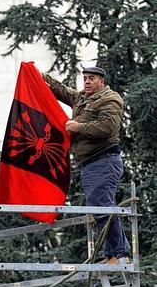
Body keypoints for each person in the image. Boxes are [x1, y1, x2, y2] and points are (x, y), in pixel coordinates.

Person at [43, 66, 131, 264]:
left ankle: (119, 253)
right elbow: (62, 90)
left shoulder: (110, 99)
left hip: (104, 160)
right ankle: (113, 254)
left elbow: (108, 128)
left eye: (91, 78)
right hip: (92, 163)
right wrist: (40, 75)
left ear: (102, 81)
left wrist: (79, 127)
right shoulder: (83, 98)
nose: (87, 82)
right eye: (85, 78)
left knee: (102, 206)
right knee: (100, 207)